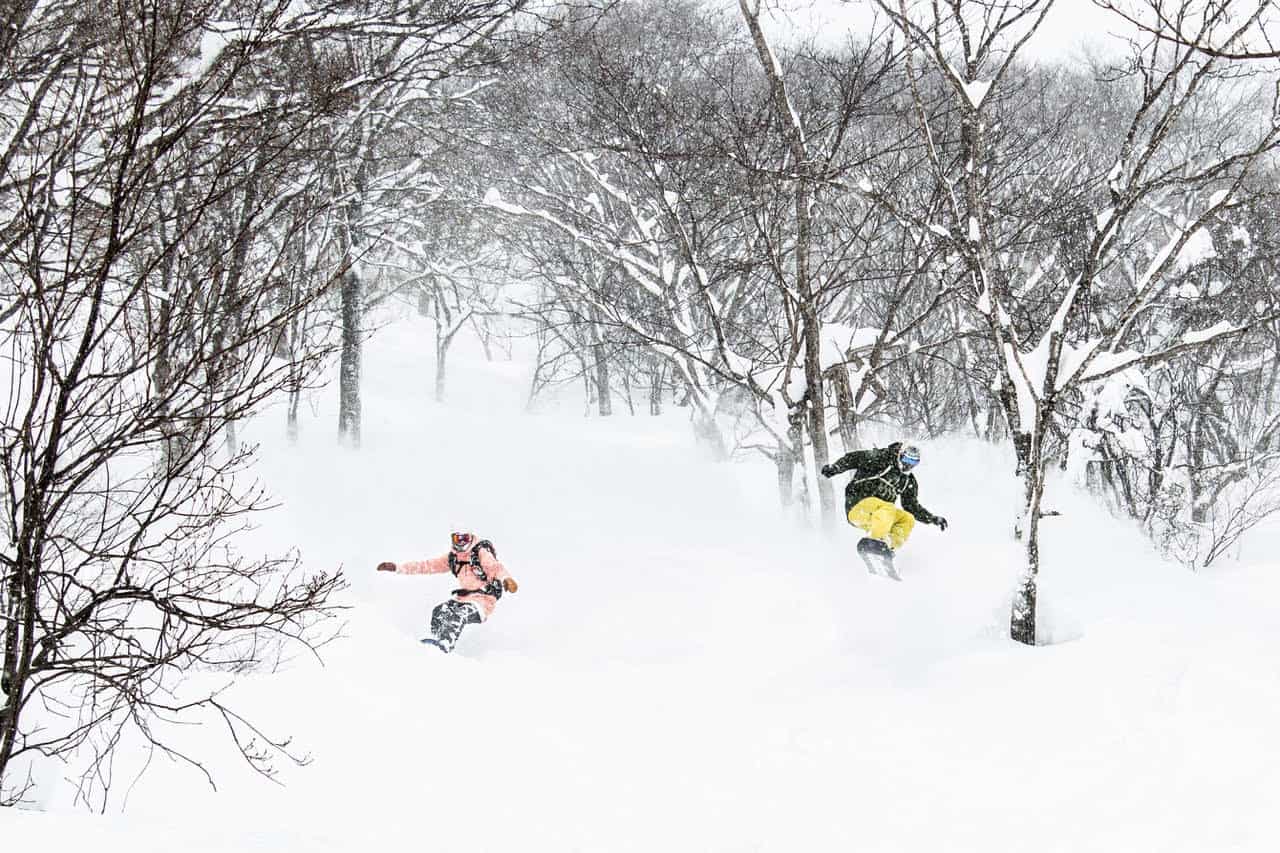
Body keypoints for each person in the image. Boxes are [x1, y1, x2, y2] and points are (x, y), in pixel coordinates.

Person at [376, 530, 518, 652]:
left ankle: (445, 644)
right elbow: (426, 566)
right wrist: (397, 568)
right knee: (439, 610)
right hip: (463, 598)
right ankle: (435, 640)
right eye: (457, 539)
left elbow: (495, 567)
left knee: (458, 615)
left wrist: (506, 579)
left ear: (471, 537)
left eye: (465, 539)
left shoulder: (480, 552)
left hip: (483, 601)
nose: (461, 543)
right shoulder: (453, 558)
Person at [820, 441, 948, 551]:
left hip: (879, 518)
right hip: (858, 506)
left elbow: (911, 506)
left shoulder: (908, 480)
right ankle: (874, 542)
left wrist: (931, 518)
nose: (908, 465)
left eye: (913, 462)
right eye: (906, 460)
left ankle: (886, 547)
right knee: (887, 508)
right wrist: (836, 468)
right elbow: (854, 458)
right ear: (900, 455)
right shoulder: (881, 458)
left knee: (907, 519)